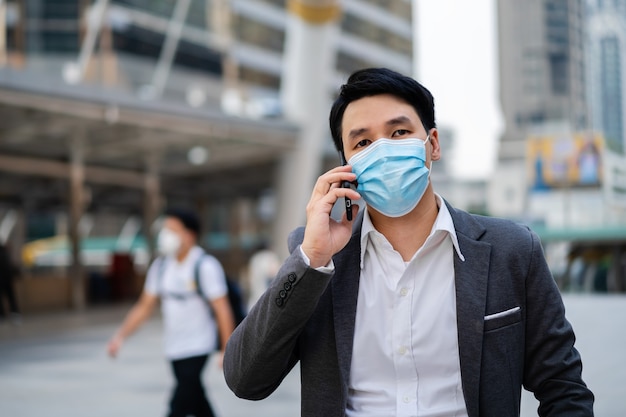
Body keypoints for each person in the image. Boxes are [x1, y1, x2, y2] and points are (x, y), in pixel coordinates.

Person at [223, 68, 594, 416]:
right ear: (346, 167)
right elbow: (246, 380)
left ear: (433, 144)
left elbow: (562, 386)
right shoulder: (318, 258)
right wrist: (313, 259)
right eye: (363, 141)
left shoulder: (511, 249)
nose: (383, 149)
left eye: (399, 133)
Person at [108, 207, 235, 417]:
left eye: (172, 230)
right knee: (196, 399)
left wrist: (226, 349)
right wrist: (120, 337)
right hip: (173, 347)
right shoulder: (160, 267)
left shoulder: (205, 266)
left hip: (198, 345)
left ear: (189, 235)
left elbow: (222, 309)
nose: (165, 236)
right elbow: (144, 306)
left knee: (179, 403)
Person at [0, 242, 20, 325]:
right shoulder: (5, 253)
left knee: (9, 297)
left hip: (5, 279)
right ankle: (11, 314)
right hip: (7, 279)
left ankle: (6, 314)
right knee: (10, 297)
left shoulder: (4, 253)